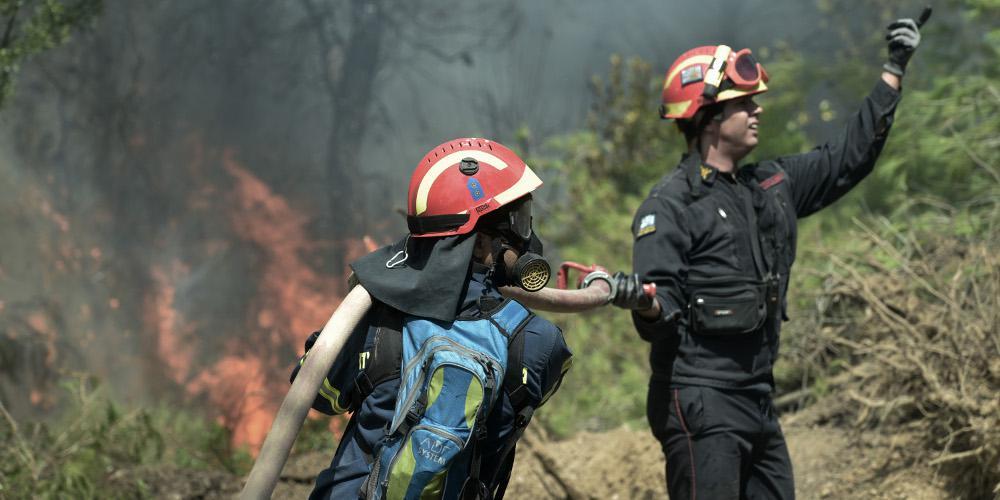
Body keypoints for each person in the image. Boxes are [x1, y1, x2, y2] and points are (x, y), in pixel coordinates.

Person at [625, 13, 926, 500]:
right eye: (744, 103)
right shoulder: (669, 207)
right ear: (707, 116)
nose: (757, 110)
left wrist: (893, 69)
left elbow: (848, 157)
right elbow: (659, 315)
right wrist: (645, 302)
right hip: (700, 401)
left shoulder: (769, 186)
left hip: (758, 400)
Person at [291, 138, 575, 500]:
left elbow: (317, 393)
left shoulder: (377, 318)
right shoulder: (539, 341)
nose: (527, 239)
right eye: (518, 223)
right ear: (481, 243)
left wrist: (367, 298)